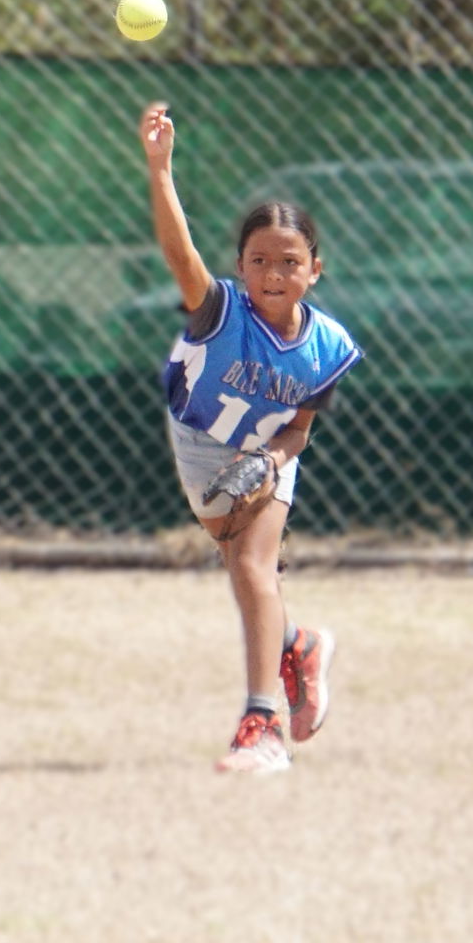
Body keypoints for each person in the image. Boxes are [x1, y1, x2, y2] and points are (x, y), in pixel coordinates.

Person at [138, 100, 364, 774]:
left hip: (268, 452)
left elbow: (299, 429)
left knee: (252, 567)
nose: (273, 273)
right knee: (241, 570)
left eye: (289, 261)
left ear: (314, 269)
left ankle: (262, 724)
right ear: (239, 265)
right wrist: (161, 170)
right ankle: (298, 646)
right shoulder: (220, 310)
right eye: (259, 259)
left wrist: (272, 459)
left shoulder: (327, 347)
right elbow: (179, 251)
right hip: (199, 442)